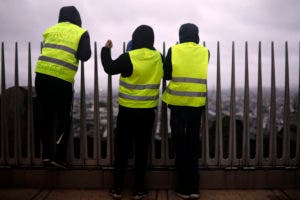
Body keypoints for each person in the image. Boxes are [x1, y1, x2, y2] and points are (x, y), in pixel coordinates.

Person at [101, 25, 163, 200]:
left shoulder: (129, 57)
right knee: (142, 151)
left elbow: (109, 68)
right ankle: (138, 189)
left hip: (127, 112)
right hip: (147, 113)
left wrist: (106, 50)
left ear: (134, 39)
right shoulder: (158, 57)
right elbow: (168, 72)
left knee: (122, 150)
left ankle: (117, 188)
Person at [35, 6, 91, 168]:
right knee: (63, 119)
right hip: (61, 80)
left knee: (45, 117)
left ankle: (46, 155)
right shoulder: (81, 32)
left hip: (41, 76)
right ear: (77, 18)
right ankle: (59, 157)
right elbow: (84, 55)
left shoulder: (50, 30)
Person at [162, 23, 209, 199]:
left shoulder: (174, 50)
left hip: (177, 105)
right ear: (197, 35)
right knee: (193, 144)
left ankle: (182, 188)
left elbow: (166, 75)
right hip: (196, 105)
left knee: (180, 145)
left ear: (181, 35)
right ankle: (194, 188)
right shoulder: (206, 52)